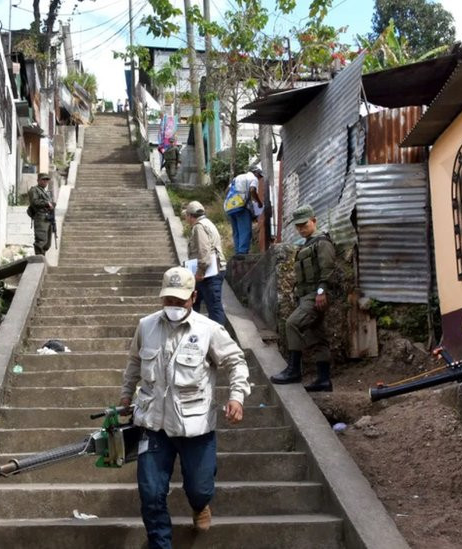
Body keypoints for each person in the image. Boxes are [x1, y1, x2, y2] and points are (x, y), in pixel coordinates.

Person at [120, 267, 250, 548]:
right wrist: (124, 397)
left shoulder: (209, 330)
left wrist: (236, 396)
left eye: (179, 302)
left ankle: (200, 505)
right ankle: (160, 544)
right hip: (153, 425)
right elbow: (133, 365)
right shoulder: (146, 326)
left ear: (193, 297)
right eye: (168, 301)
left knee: (199, 488)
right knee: (151, 491)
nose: (173, 307)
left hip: (196, 426)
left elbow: (235, 362)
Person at [270, 205, 336, 392]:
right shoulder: (308, 243)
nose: (301, 229)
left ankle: (293, 371)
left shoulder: (322, 242)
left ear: (313, 220)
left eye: (304, 224)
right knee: (317, 336)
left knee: (292, 324)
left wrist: (322, 292)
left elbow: (328, 268)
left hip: (316, 295)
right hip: (307, 295)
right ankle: (324, 380)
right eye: (298, 226)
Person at [184, 201, 226, 325]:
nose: (186, 219)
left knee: (214, 306)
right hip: (212, 270)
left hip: (208, 273)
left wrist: (201, 271)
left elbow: (204, 250)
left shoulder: (199, 227)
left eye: (186, 216)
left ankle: (218, 338)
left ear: (190, 216)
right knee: (194, 302)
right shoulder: (208, 223)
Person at [224, 167, 263, 255]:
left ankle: (237, 252)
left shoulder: (238, 177)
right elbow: (252, 190)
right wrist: (259, 202)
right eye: (260, 176)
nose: (259, 179)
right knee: (245, 230)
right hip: (241, 207)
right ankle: (243, 252)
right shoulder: (253, 178)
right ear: (256, 173)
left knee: (236, 231)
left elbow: (227, 191)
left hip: (230, 207)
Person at [28, 173, 55, 255]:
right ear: (38, 180)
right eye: (43, 179)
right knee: (41, 241)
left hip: (48, 218)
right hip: (41, 217)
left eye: (47, 180)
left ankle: (42, 258)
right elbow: (34, 202)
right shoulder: (34, 190)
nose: (45, 182)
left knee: (47, 243)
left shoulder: (45, 192)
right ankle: (39, 260)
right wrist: (46, 203)